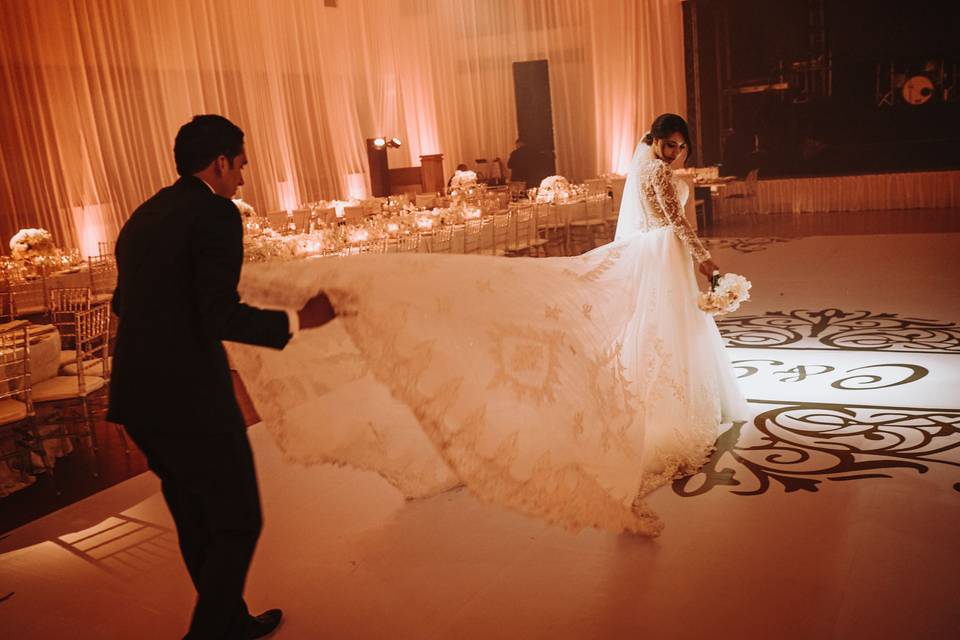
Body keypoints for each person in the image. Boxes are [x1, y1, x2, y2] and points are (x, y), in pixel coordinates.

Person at [227, 113, 749, 538]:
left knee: (664, 331)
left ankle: (673, 391)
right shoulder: (657, 174)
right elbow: (677, 225)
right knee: (666, 330)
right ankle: (676, 401)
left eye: (681, 147)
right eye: (669, 145)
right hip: (666, 255)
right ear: (653, 142)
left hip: (659, 257)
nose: (675, 153)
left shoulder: (651, 171)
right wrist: (707, 264)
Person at [108, 114, 338, 639]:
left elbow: (126, 303)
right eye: (240, 167)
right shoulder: (216, 214)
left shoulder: (143, 215)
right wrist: (301, 318)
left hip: (138, 399)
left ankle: (231, 620)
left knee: (195, 520)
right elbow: (217, 314)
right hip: (190, 400)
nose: (242, 179)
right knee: (239, 521)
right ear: (219, 163)